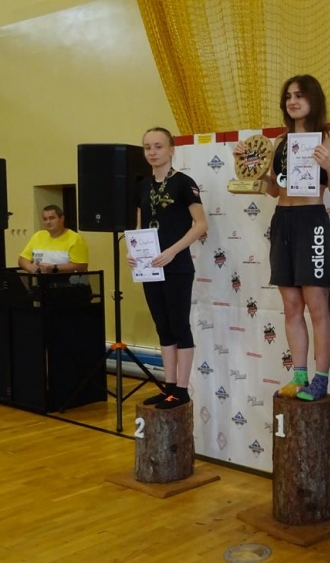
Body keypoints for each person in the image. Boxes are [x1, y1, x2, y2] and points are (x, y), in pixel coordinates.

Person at [235, 74, 330, 401]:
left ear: (314, 99)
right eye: (288, 96)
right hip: (282, 219)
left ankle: (321, 379)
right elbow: (274, 188)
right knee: (291, 305)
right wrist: (248, 162)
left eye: (299, 95)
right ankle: (299, 376)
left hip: (311, 221)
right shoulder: (280, 142)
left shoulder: (328, 138)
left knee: (317, 305)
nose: (293, 101)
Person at [128, 126, 208, 410]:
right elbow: (140, 226)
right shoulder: (142, 186)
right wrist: (133, 252)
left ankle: (182, 390)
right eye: (147, 147)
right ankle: (169, 386)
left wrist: (173, 251)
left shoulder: (184, 183)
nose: (152, 152)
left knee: (179, 325)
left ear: (172, 149)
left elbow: (201, 225)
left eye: (158, 146)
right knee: (162, 326)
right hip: (150, 267)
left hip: (177, 266)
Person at [18, 205, 89, 274]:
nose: (48, 222)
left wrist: (55, 268)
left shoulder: (75, 238)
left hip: (67, 281)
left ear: (61, 219)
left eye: (52, 218)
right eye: (45, 219)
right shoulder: (38, 236)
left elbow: (82, 266)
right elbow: (22, 259)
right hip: (42, 280)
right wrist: (29, 266)